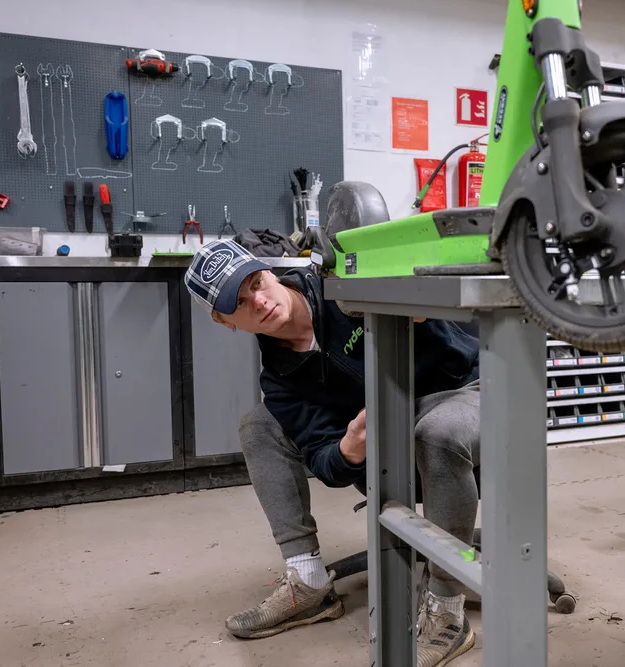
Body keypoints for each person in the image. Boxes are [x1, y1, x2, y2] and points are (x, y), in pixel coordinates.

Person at [185, 239, 481, 666]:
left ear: (269, 272)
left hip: (462, 395)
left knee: (437, 432)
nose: (259, 302)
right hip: (385, 439)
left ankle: (447, 611)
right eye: (240, 303)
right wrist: (349, 448)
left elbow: (444, 327)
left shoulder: (340, 287)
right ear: (224, 321)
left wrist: (413, 305)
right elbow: (326, 462)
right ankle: (308, 581)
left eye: (257, 283)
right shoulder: (281, 381)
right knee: (260, 424)